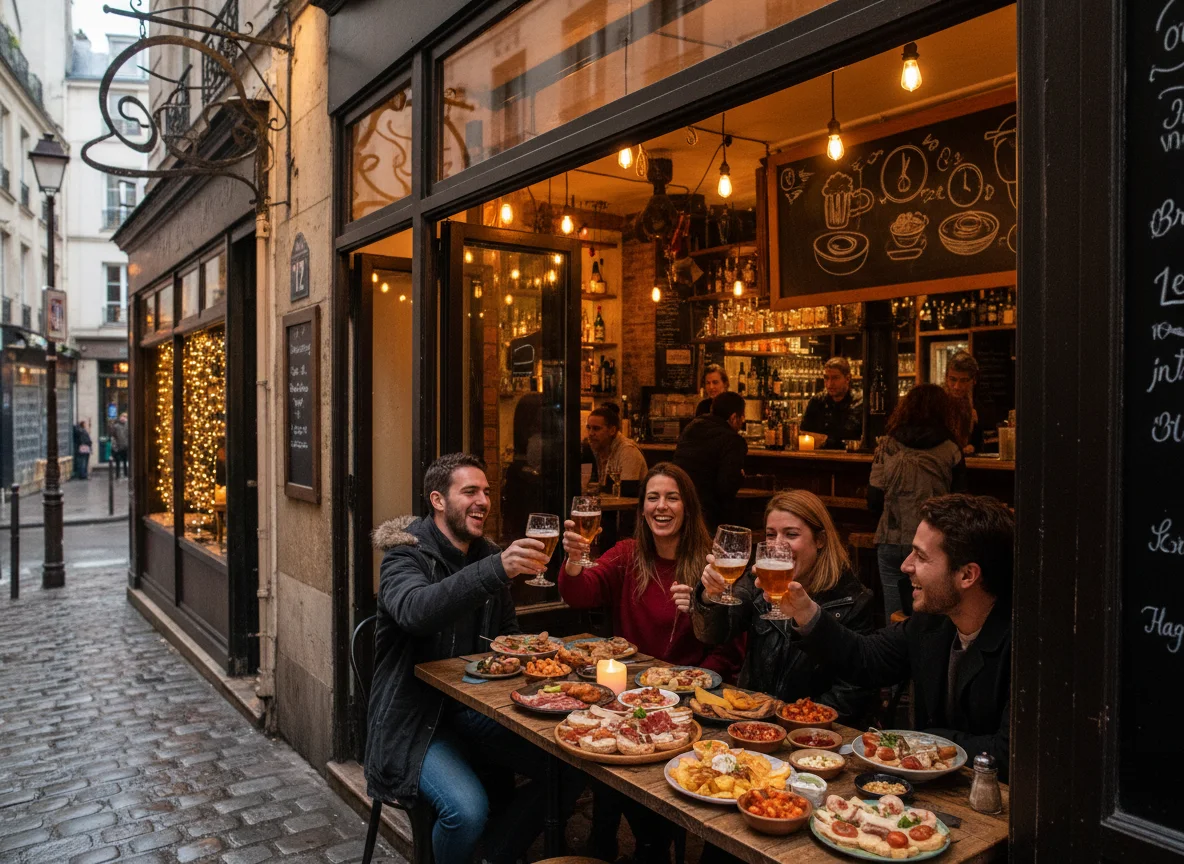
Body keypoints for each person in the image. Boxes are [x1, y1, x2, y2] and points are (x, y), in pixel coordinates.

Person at [364, 453, 580, 864]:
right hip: (414, 723)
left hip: (477, 714)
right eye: (470, 492)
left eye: (486, 491)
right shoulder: (404, 556)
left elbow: (508, 639)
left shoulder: (488, 555)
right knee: (466, 811)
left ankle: (492, 857)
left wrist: (548, 662)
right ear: (438, 500)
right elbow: (416, 611)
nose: (483, 500)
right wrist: (495, 569)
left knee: (571, 766)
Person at [559, 462, 744, 863]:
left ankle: (634, 843)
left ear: (688, 507)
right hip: (630, 694)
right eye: (653, 497)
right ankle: (617, 841)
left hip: (689, 702)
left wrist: (697, 669)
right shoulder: (627, 554)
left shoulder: (713, 564)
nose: (662, 506)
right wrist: (574, 561)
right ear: (642, 508)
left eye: (672, 497)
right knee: (605, 749)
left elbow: (730, 647)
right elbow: (581, 592)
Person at [766, 493, 1013, 779]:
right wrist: (806, 612)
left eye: (920, 556)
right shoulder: (931, 623)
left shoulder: (1024, 645)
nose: (905, 565)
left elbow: (1007, 755)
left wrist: (921, 741)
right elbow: (865, 659)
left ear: (967, 575)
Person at [684, 490, 877, 723]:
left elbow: (851, 695)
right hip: (752, 724)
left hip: (812, 739)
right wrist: (708, 596)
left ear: (820, 540)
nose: (778, 546)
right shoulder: (759, 581)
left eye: (791, 534)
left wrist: (787, 720)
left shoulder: (853, 599)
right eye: (770, 535)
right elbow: (713, 633)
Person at [869, 384, 967, 621]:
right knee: (934, 619)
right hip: (933, 545)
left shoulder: (887, 446)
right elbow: (960, 502)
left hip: (891, 539)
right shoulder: (951, 449)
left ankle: (896, 658)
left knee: (895, 618)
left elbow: (873, 500)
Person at [673, 391, 747, 532]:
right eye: (742, 416)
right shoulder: (733, 440)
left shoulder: (691, 427)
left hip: (681, 506)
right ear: (733, 417)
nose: (743, 421)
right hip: (709, 516)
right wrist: (740, 476)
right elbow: (726, 487)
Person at [800, 356, 863, 450]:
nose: (829, 384)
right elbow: (804, 434)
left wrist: (823, 439)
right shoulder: (817, 402)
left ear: (847, 378)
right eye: (826, 378)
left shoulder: (859, 403)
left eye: (835, 378)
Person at [944, 351, 997, 455]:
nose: (957, 386)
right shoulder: (936, 404)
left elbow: (987, 441)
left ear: (974, 380)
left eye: (963, 380)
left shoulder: (982, 407)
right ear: (946, 378)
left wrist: (973, 447)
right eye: (952, 379)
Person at [585, 405, 648, 491]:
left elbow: (628, 493)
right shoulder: (597, 448)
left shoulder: (628, 451)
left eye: (596, 429)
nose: (591, 433)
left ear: (612, 430)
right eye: (588, 428)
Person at [110, 412, 130, 479]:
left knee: (125, 461)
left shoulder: (128, 425)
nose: (123, 418)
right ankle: (117, 475)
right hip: (118, 447)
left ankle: (126, 474)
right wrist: (115, 446)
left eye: (124, 417)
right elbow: (113, 436)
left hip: (126, 446)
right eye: (122, 417)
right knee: (117, 462)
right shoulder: (116, 426)